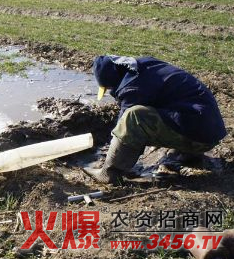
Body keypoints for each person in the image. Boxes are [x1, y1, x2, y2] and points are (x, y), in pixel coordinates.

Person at [85, 55, 227, 183]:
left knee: (133, 116)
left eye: (109, 87)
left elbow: (124, 126)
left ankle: (109, 174)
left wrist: (111, 153)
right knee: (168, 110)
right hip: (209, 129)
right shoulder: (144, 64)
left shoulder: (131, 87)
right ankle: (188, 153)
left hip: (199, 136)